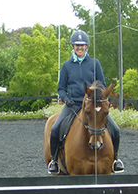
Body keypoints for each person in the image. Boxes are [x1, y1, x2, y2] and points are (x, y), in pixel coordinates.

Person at [47, 30, 124, 174]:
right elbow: (61, 88)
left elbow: (102, 84)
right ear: (73, 46)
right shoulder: (66, 66)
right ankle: (54, 161)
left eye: (82, 45)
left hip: (93, 104)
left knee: (115, 129)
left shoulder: (94, 63)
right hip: (74, 104)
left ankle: (115, 160)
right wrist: (66, 99)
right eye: (77, 45)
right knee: (55, 128)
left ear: (86, 46)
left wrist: (97, 95)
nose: (79, 48)